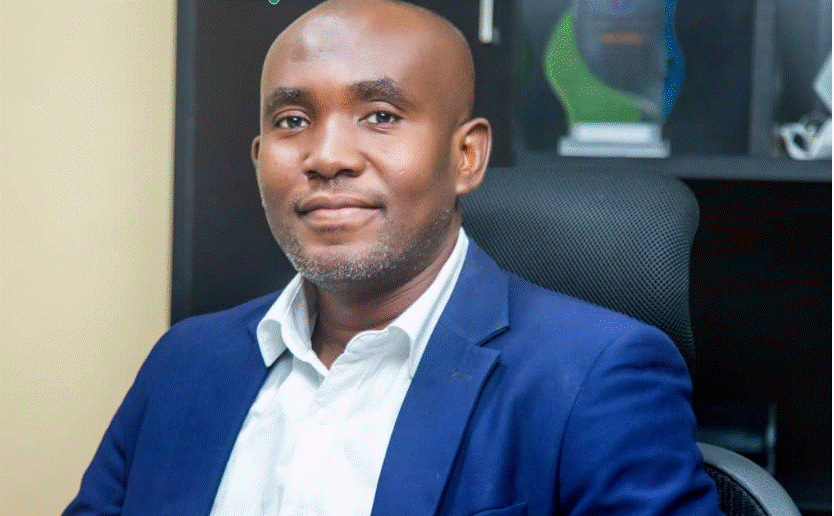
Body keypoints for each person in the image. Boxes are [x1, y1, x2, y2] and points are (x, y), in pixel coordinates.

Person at [64, 1, 723, 515]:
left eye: (379, 115)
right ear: (259, 158)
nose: (327, 157)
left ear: (467, 156)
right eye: (292, 120)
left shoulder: (596, 377)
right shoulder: (182, 365)